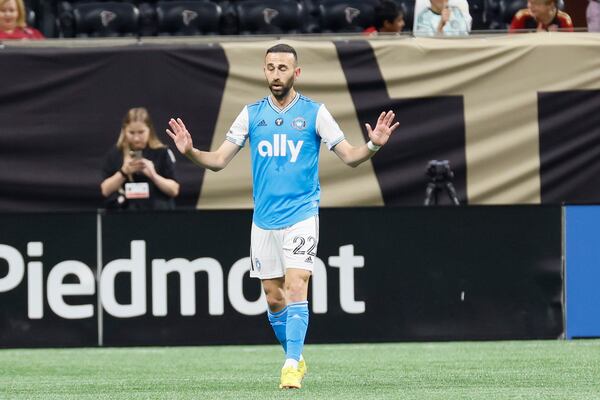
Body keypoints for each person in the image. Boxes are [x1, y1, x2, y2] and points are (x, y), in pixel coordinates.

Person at [166, 44, 399, 390]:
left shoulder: (315, 113)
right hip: (264, 220)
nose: (276, 74)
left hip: (302, 215)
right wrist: (190, 152)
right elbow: (217, 161)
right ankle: (296, 353)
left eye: (283, 68)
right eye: (271, 68)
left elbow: (350, 156)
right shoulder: (250, 114)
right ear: (264, 71)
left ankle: (290, 365)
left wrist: (374, 145)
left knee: (295, 287)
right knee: (273, 298)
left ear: (296, 73)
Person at [101, 107, 179, 210]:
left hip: (158, 213)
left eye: (141, 132)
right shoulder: (115, 154)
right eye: (132, 133)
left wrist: (153, 175)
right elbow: (105, 190)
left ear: (149, 130)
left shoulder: (162, 152)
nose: (136, 138)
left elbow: (174, 190)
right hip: (125, 214)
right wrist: (124, 172)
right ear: (124, 130)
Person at [509, 0, 574, 32]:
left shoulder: (564, 19)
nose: (530, 6)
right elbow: (511, 45)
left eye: (536, 3)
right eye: (529, 2)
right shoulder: (521, 17)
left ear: (550, 5)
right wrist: (537, 38)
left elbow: (570, 47)